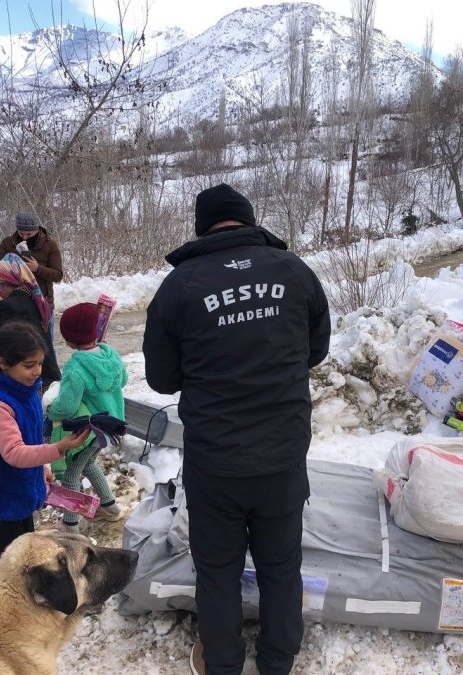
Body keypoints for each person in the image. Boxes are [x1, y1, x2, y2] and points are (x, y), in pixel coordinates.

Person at [143, 183, 331, 675]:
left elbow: (162, 378)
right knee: (281, 564)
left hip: (215, 461)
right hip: (281, 455)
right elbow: (315, 350)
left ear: (202, 228)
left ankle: (223, 663)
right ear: (248, 220)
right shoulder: (294, 271)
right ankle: (277, 661)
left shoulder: (180, 285)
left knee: (218, 570)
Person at [0, 321, 87, 564]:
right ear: (3, 363)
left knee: (25, 558)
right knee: (9, 564)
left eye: (40, 363)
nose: (37, 371)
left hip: (19, 491)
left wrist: (41, 468)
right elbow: (15, 453)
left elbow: (32, 438)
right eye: (29, 365)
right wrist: (58, 448)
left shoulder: (25, 391)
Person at [46, 302, 128, 534]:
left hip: (88, 430)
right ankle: (110, 508)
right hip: (110, 425)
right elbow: (123, 381)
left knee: (71, 473)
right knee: (89, 464)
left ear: (69, 339)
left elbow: (67, 405)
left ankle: (70, 525)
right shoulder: (110, 355)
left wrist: (51, 410)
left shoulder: (76, 367)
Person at [0, 253, 61, 387]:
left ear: (9, 283)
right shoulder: (36, 300)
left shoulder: (7, 307)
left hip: (25, 379)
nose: (1, 290)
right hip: (45, 371)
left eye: (1, 284)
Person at [0, 212, 64, 312]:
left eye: (29, 234)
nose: (25, 237)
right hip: (13, 302)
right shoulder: (8, 243)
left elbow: (58, 275)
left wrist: (37, 268)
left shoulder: (50, 245)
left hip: (42, 303)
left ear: (37, 230)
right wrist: (15, 257)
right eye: (21, 233)